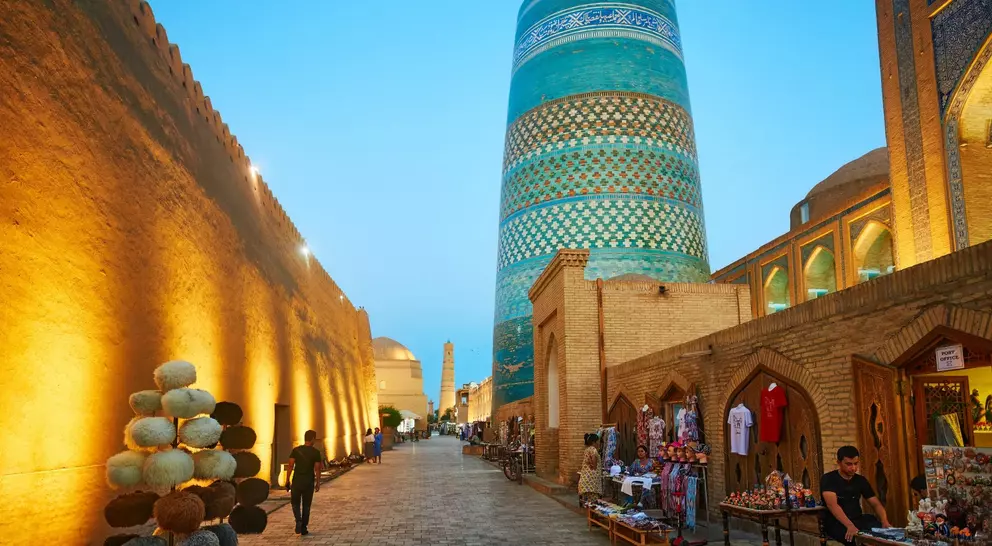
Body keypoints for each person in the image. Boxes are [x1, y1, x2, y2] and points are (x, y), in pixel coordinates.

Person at [821, 446, 891, 545]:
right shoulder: (828, 479)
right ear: (839, 463)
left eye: (856, 463)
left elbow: (875, 504)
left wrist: (884, 521)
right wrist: (850, 525)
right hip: (837, 522)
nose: (853, 468)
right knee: (852, 539)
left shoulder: (861, 480)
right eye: (849, 464)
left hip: (858, 519)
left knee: (884, 534)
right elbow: (833, 506)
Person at [285, 430, 322, 536]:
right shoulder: (315, 452)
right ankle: (304, 527)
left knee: (295, 503)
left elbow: (290, 465)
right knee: (306, 505)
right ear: (313, 439)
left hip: (297, 481)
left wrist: (287, 479)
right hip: (308, 482)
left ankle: (298, 520)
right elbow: (317, 469)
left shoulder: (296, 450)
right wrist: (318, 482)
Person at [578, 433, 602, 507]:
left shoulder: (586, 450)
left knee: (587, 499)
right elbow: (594, 464)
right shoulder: (593, 450)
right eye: (597, 441)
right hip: (592, 478)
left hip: (586, 477)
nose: (598, 443)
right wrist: (594, 465)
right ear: (594, 442)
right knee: (593, 500)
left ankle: (588, 513)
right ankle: (592, 514)